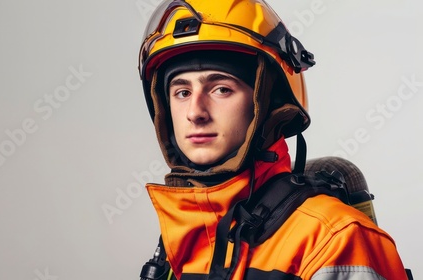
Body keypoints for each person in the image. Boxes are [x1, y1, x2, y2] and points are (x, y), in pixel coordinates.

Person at [137, 0, 409, 279]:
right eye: (182, 93)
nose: (195, 112)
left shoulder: (333, 239)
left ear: (268, 104)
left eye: (221, 89)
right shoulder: (181, 240)